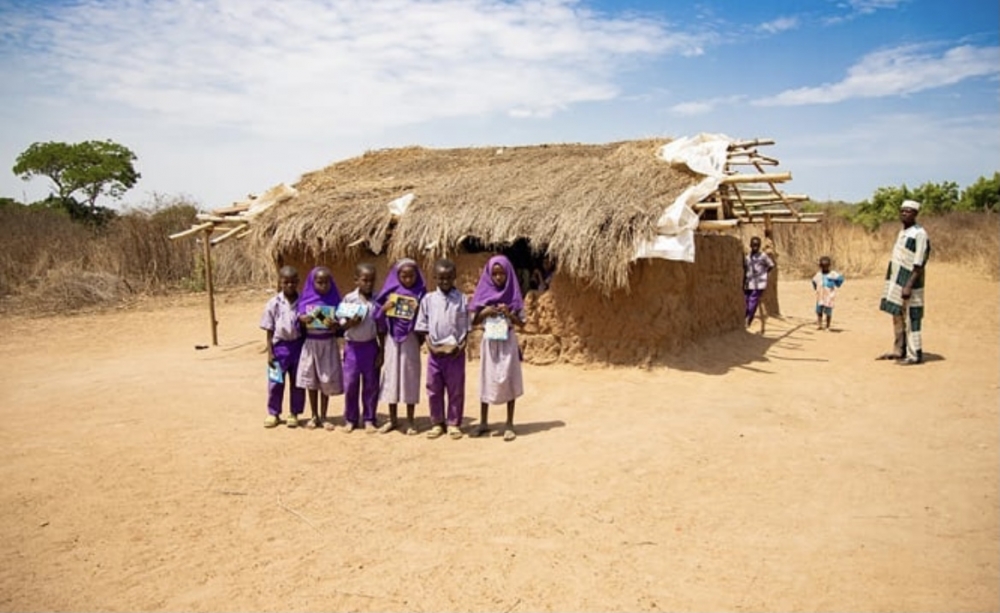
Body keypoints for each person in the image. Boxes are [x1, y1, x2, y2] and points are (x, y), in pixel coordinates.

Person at [470, 255, 525, 442]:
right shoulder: (483, 293)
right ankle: (483, 421)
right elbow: (473, 320)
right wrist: (485, 311)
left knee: (508, 378)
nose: (498, 277)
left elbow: (522, 323)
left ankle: (509, 423)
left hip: (507, 340)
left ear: (508, 274)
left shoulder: (514, 295)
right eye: (495, 274)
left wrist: (509, 313)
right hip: (489, 342)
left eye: (502, 273)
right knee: (486, 379)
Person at [414, 259, 469, 440]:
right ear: (435, 277)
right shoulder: (428, 300)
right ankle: (437, 422)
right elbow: (423, 327)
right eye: (441, 278)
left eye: (448, 278)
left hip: (455, 352)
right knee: (434, 388)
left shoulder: (462, 300)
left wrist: (461, 347)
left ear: (454, 277)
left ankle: (453, 423)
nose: (444, 281)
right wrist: (431, 348)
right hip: (435, 352)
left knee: (456, 389)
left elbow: (466, 327)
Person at [374, 258, 426, 435]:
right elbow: (377, 318)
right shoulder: (390, 292)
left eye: (411, 276)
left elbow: (425, 319)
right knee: (391, 377)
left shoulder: (420, 292)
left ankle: (411, 420)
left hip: (410, 339)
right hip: (391, 339)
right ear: (397, 276)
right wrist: (384, 308)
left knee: (410, 376)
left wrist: (419, 311)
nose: (408, 279)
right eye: (404, 276)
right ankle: (392, 418)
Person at [878, 199, 931, 365]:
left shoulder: (919, 234)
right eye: (902, 210)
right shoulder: (903, 232)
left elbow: (919, 262)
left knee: (912, 317)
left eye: (908, 211)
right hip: (896, 280)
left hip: (910, 281)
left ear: (915, 214)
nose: (904, 213)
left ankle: (914, 354)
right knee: (897, 315)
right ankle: (899, 349)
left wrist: (909, 285)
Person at [296, 266, 344, 430]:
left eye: (326, 282)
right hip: (311, 345)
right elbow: (299, 318)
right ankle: (314, 415)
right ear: (312, 282)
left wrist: (336, 324)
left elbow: (341, 324)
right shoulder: (306, 300)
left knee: (326, 379)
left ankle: (324, 416)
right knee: (312, 381)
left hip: (328, 344)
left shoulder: (335, 300)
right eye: (319, 282)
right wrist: (304, 319)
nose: (323, 286)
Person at [338, 263, 383, 433]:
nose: (368, 284)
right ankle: (351, 418)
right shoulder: (350, 299)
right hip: (353, 348)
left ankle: (369, 418)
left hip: (371, 346)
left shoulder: (378, 300)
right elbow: (341, 325)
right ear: (356, 280)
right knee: (351, 384)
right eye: (364, 280)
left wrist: (382, 351)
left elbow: (381, 328)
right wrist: (352, 322)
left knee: (371, 384)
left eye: (372, 280)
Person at [260, 266, 306, 428]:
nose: (290, 285)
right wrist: (270, 353)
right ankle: (274, 413)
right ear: (280, 283)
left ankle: (294, 412)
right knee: (275, 381)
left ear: (298, 282)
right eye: (286, 282)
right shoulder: (273, 303)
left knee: (297, 382)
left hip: (298, 346)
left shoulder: (303, 302)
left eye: (293, 282)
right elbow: (269, 329)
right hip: (279, 347)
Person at [743, 236, 775, 333]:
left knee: (752, 301)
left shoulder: (763, 256)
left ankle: (748, 319)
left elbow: (771, 265)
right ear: (750, 245)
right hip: (749, 282)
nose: (755, 247)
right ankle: (747, 317)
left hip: (759, 283)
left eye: (757, 245)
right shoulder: (747, 257)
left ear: (759, 246)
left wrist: (764, 274)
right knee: (746, 300)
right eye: (753, 245)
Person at [811, 256, 845, 330]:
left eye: (826, 266)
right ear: (820, 266)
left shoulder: (833, 274)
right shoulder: (818, 275)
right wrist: (816, 288)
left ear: (829, 266)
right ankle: (819, 324)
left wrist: (836, 284)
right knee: (819, 310)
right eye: (823, 266)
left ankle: (828, 326)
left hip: (829, 296)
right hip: (820, 296)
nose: (824, 268)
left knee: (828, 311)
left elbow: (841, 279)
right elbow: (813, 281)